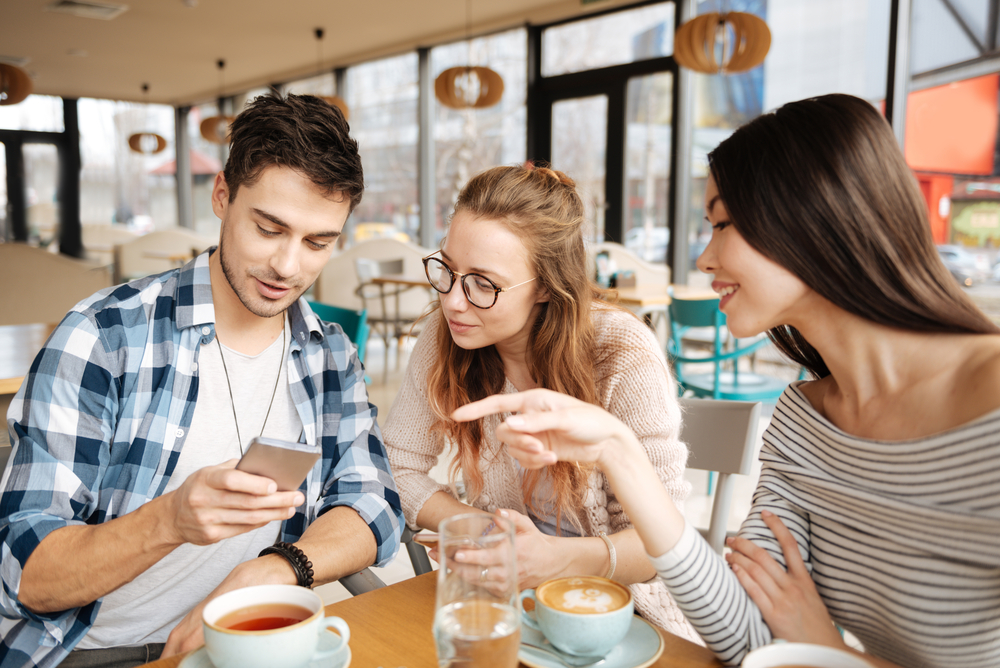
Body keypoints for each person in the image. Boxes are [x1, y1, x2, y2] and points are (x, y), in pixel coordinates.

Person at [452, 94, 1000, 668]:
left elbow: (803, 651)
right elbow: (746, 639)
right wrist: (618, 451)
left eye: (721, 224)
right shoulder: (803, 419)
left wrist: (830, 650)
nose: (705, 258)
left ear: (809, 217)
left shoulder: (987, 400)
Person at [0, 93, 403, 668]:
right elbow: (25, 573)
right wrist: (169, 520)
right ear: (222, 197)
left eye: (318, 243)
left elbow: (373, 503)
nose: (289, 267)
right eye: (269, 229)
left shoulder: (327, 354)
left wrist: (279, 567)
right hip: (91, 652)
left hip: (245, 646)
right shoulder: (104, 337)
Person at [383, 164, 699, 643]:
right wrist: (485, 530)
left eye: (483, 284)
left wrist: (554, 559)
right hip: (505, 607)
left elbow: (663, 548)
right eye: (447, 270)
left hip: (625, 622)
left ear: (547, 286)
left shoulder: (621, 354)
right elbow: (396, 465)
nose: (453, 301)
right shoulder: (447, 333)